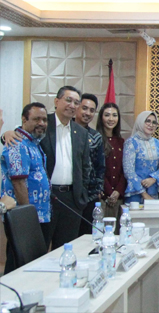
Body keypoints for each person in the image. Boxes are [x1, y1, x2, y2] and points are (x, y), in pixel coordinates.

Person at [3, 86, 92, 250]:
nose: (72, 105)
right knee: (36, 248)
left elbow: (85, 167)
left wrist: (82, 193)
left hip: (72, 200)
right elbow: (20, 136)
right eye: (68, 100)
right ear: (56, 101)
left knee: (66, 248)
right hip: (46, 198)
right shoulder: (42, 122)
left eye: (76, 102)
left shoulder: (81, 132)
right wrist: (6, 134)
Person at [1, 103, 51, 246]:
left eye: (44, 120)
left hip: (39, 214)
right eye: (36, 119)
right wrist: (27, 218)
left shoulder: (33, 143)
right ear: (24, 120)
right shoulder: (17, 143)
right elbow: (18, 183)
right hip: (23, 216)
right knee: (19, 260)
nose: (41, 123)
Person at [74, 94, 106, 236]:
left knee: (86, 235)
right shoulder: (64, 131)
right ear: (77, 108)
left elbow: (100, 166)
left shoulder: (95, 136)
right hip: (69, 193)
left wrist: (98, 188)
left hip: (90, 195)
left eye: (92, 110)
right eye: (84, 108)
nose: (87, 113)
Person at [123, 111, 159, 204]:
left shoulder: (157, 143)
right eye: (147, 121)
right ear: (140, 122)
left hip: (153, 192)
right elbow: (129, 172)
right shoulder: (131, 143)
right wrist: (144, 194)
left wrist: (154, 178)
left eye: (154, 122)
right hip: (135, 194)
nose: (151, 125)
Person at [96, 103, 126, 231]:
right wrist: (109, 192)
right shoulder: (96, 139)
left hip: (119, 198)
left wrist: (118, 191)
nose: (111, 119)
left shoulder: (121, 142)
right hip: (103, 197)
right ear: (101, 118)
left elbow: (125, 170)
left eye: (114, 115)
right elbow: (96, 169)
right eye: (107, 115)